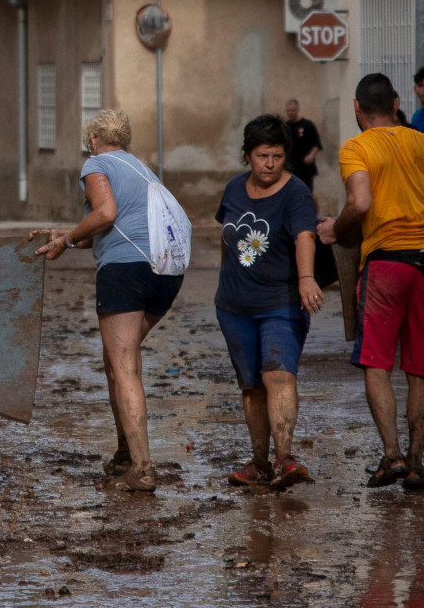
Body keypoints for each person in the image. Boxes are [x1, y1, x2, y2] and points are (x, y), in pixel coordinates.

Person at [319, 72, 424, 491]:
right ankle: (418, 464)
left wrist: (337, 230)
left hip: (387, 263)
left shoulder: (357, 147)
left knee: (377, 363)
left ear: (356, 109)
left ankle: (392, 455)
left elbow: (359, 202)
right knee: (420, 369)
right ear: (398, 102)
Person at [32, 109, 182, 494]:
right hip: (166, 272)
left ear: (94, 140)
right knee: (117, 363)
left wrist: (64, 243)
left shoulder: (96, 164)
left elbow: (106, 213)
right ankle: (125, 455)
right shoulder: (140, 169)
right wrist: (65, 234)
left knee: (124, 366)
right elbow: (103, 228)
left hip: (126, 271)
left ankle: (143, 469)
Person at [218, 116, 324, 490]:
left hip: (281, 301)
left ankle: (285, 459)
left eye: (277, 156)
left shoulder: (295, 194)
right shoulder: (233, 189)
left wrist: (307, 279)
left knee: (278, 373)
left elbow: (305, 237)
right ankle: (259, 462)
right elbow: (226, 238)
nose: (269, 164)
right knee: (250, 385)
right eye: (262, 155)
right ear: (247, 155)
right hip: (234, 306)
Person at [282, 98, 323, 190]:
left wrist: (311, 156)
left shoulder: (307, 125)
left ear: (298, 109)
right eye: (288, 110)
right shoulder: (285, 127)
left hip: (305, 168)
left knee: (306, 193)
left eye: (292, 110)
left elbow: (317, 144)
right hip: (290, 168)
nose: (290, 113)